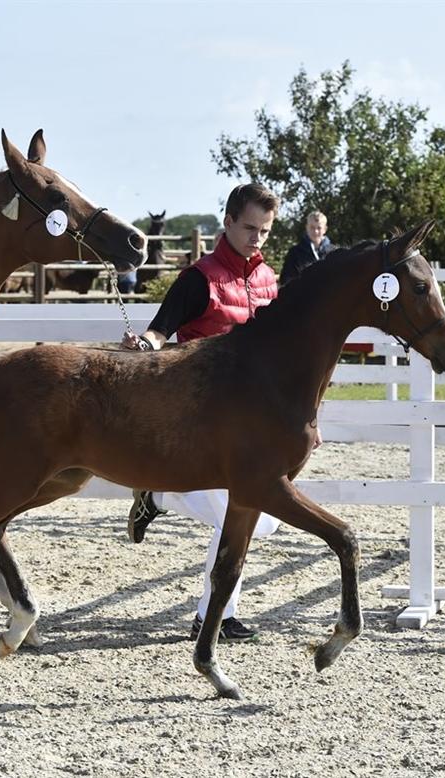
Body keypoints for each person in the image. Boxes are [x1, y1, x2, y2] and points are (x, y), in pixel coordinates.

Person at [120, 182, 282, 643]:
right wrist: (144, 345)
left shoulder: (269, 280)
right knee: (241, 513)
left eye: (265, 231)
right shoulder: (199, 278)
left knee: (261, 521)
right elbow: (159, 331)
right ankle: (214, 617)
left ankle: (159, 498)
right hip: (200, 423)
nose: (256, 238)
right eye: (249, 227)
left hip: (252, 428)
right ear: (227, 222)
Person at [279, 210, 334, 287]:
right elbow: (286, 281)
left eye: (319, 228)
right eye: (312, 227)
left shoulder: (334, 252)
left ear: (325, 229)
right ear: (306, 227)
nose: (315, 231)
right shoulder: (295, 253)